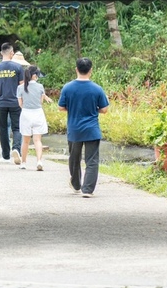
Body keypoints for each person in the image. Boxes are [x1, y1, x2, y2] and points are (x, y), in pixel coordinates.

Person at [58, 57, 110, 196]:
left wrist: (74, 108)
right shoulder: (97, 89)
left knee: (74, 158)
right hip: (92, 130)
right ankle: (87, 189)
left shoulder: (67, 88)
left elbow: (61, 107)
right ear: (91, 71)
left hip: (74, 129)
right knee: (91, 160)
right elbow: (105, 109)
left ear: (76, 69)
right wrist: (94, 110)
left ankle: (76, 185)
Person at [0, 42, 25, 164]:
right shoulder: (18, 68)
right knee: (17, 127)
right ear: (11, 53)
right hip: (16, 102)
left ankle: (5, 155)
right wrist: (23, 102)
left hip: (1, 103)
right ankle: (16, 149)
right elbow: (22, 86)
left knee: (3, 128)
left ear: (0, 53)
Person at [17, 65, 51, 171]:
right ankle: (39, 161)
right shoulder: (40, 87)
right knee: (37, 140)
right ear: (34, 76)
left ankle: (23, 162)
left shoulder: (20, 87)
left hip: (26, 114)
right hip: (38, 113)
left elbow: (20, 103)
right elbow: (40, 102)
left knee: (25, 140)